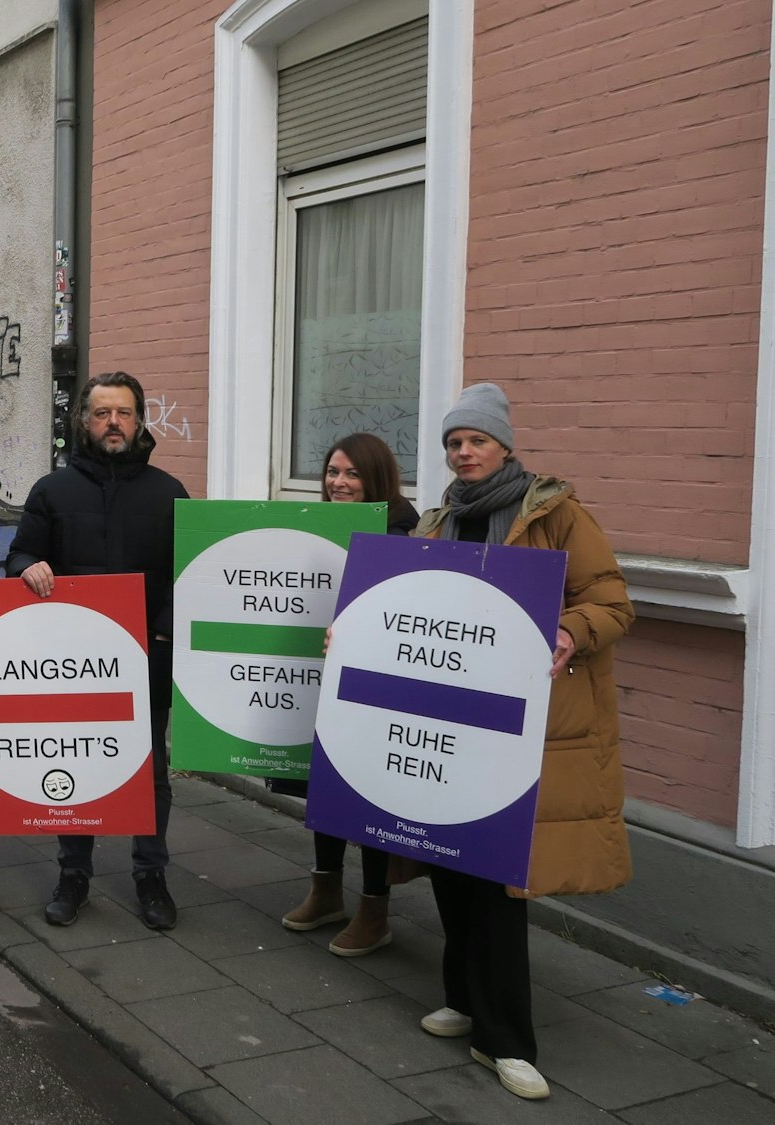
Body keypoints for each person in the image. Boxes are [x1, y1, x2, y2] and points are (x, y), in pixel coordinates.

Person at [410, 382, 633, 1101]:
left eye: (475, 439)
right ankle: (465, 998)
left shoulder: (554, 512)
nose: (464, 451)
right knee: (448, 858)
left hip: (521, 724)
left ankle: (506, 1039)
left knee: (501, 878)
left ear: (504, 443)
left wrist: (572, 630)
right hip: (450, 719)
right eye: (454, 441)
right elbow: (406, 606)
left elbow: (612, 600)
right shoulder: (438, 519)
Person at [6, 371, 188, 930]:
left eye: (125, 413)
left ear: (139, 421)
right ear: (83, 422)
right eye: (103, 412)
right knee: (76, 758)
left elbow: (189, 575)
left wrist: (162, 629)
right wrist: (27, 566)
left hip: (147, 656)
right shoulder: (51, 490)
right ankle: (73, 874)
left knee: (149, 766)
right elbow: (19, 556)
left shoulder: (169, 492)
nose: (114, 423)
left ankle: (150, 875)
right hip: (73, 660)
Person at [275, 432, 418, 955]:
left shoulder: (403, 531)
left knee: (371, 794)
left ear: (376, 478)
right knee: (326, 784)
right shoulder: (320, 529)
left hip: (377, 690)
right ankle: (326, 891)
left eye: (352, 474)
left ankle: (374, 911)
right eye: (332, 472)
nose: (338, 483)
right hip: (326, 676)